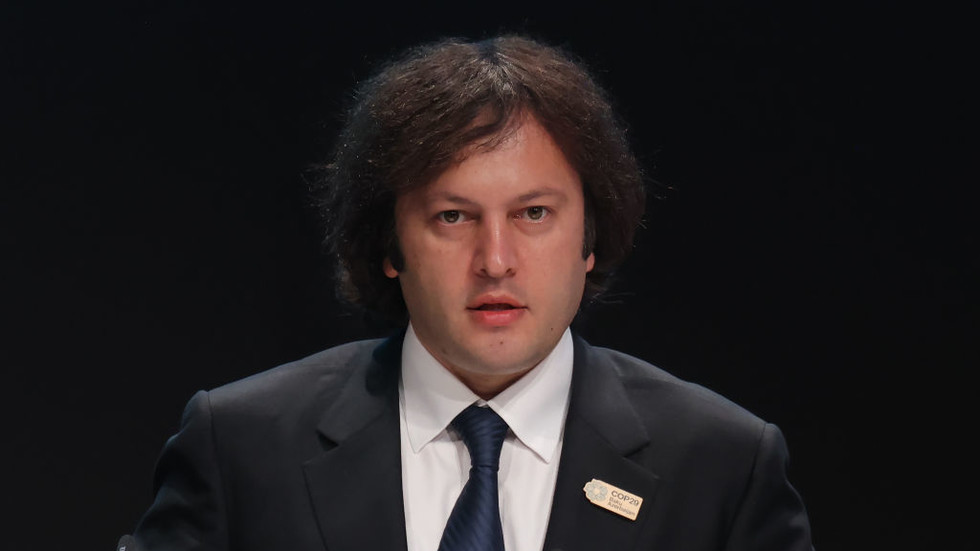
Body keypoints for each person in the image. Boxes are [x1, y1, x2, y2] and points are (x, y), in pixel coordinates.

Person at [128, 35, 814, 551]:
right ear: (390, 245)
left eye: (534, 214)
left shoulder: (722, 465)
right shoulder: (242, 446)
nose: (496, 261)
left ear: (590, 238)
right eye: (453, 217)